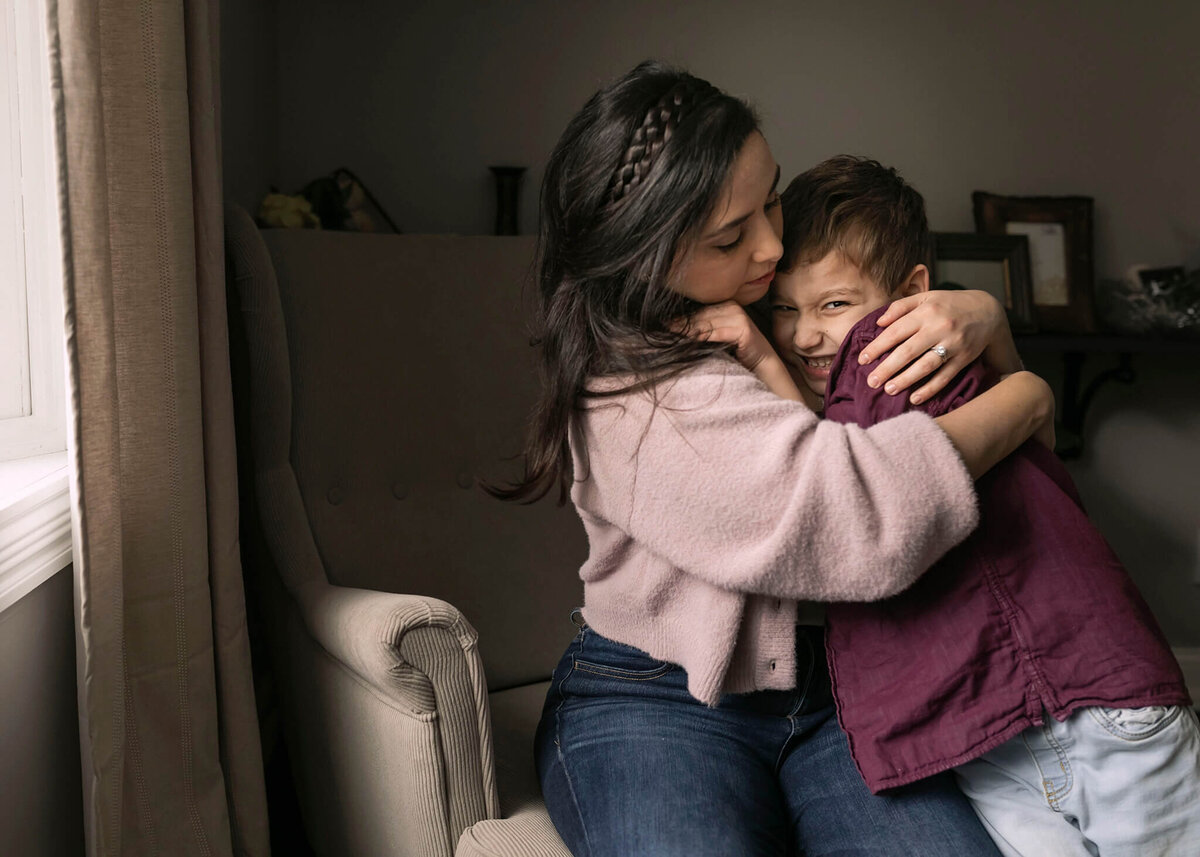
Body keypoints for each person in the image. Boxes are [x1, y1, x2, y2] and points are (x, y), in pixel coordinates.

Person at [496, 61, 1055, 856]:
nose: (771, 244)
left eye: (771, 200)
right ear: (647, 254)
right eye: (732, 236)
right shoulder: (628, 390)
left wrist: (985, 320)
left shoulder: (778, 310)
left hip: (846, 691)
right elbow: (852, 511)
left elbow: (891, 427)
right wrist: (1028, 393)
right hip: (656, 698)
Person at [755, 154, 1199, 857]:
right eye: (783, 309)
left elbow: (843, 489)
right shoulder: (943, 360)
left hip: (1066, 705)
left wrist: (761, 359)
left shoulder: (888, 353)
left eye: (832, 304)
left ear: (911, 294)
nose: (804, 333)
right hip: (999, 728)